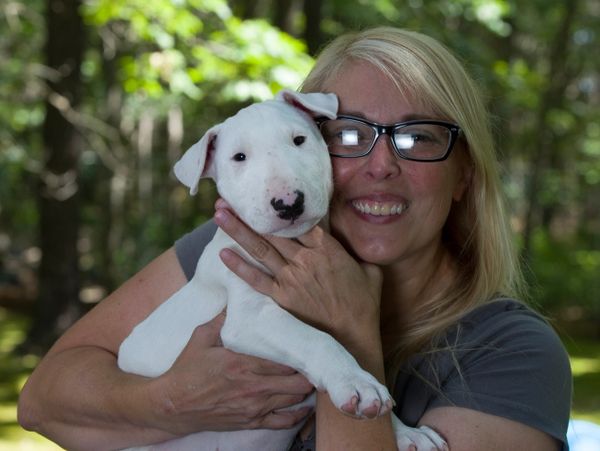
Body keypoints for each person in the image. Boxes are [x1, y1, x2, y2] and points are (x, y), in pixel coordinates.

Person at [18, 27, 572, 451]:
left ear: (465, 175)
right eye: (348, 135)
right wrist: (170, 402)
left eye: (418, 136)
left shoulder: (513, 354)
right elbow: (43, 403)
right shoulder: (240, 245)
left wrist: (350, 328)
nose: (380, 166)